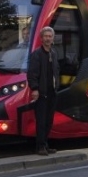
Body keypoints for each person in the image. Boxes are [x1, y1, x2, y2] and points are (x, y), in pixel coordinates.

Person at [27, 26, 60, 156]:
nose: (47, 38)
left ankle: (45, 144)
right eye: (45, 36)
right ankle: (40, 146)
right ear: (41, 39)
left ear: (52, 39)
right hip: (41, 93)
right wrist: (34, 89)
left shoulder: (54, 53)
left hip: (52, 92)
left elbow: (56, 71)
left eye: (50, 36)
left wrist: (57, 86)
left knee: (49, 121)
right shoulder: (37, 54)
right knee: (41, 121)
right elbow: (32, 74)